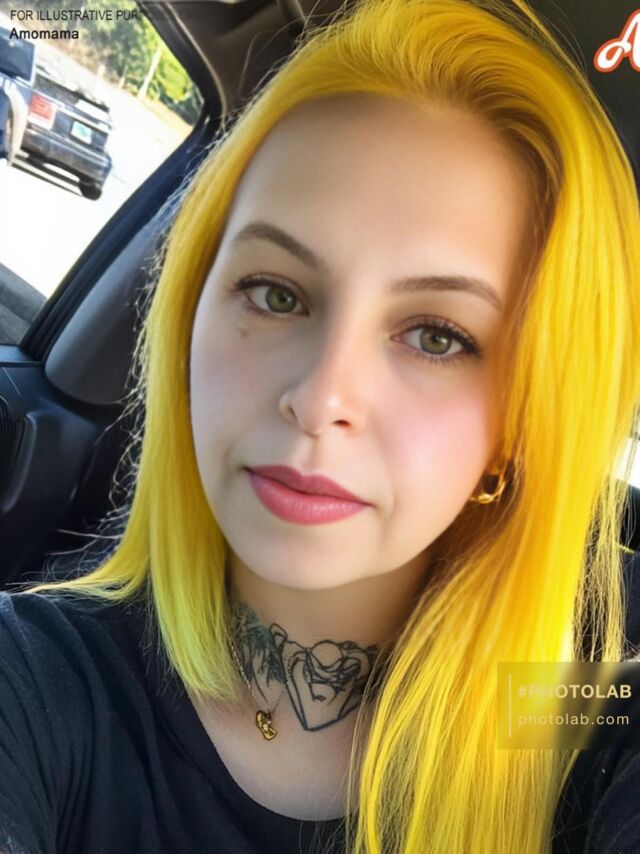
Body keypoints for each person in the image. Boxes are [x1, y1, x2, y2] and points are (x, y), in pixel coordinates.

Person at [1, 0, 640, 852]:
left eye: (437, 336)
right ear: (191, 313)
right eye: (275, 293)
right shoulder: (37, 679)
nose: (320, 396)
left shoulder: (579, 697)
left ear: (521, 424)